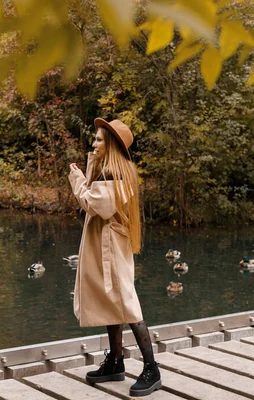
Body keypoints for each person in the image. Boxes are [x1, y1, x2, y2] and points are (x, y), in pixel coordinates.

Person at [68, 118, 161, 397]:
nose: (94, 144)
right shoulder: (112, 170)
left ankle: (151, 369)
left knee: (126, 302)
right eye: (94, 139)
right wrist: (91, 163)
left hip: (110, 245)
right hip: (105, 243)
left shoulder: (114, 174)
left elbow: (91, 204)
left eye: (99, 140)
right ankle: (115, 362)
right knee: (112, 299)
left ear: (112, 146)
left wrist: (76, 179)